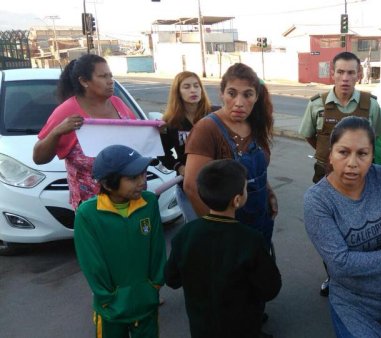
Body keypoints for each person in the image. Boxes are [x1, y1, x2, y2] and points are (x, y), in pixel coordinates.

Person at [304, 116, 381, 337]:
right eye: (343, 152)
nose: (352, 163)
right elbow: (342, 264)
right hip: (354, 307)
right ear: (330, 154)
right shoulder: (318, 200)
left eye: (362, 154)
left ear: (372, 155)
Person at [298, 51, 381, 296]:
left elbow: (374, 137)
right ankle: (333, 276)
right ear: (332, 74)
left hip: (363, 181)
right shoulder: (317, 104)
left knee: (363, 231)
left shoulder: (371, 105)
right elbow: (309, 135)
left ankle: (364, 275)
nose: (345, 78)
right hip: (325, 177)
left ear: (358, 75)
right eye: (340, 72)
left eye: (350, 72)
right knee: (331, 234)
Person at [165, 159, 281, 338]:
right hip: (242, 326)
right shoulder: (250, 240)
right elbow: (271, 288)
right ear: (237, 200)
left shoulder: (185, 234)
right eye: (245, 188)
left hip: (201, 327)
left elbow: (172, 279)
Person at [74, 144, 166, 338]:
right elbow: (92, 262)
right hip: (110, 309)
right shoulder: (88, 214)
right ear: (108, 184)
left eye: (143, 174)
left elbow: (157, 248)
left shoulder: (149, 203)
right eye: (133, 178)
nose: (142, 182)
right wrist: (108, 297)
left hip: (146, 302)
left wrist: (154, 285)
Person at [183, 63, 278, 249]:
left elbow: (257, 172)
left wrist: (268, 191)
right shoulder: (207, 129)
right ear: (222, 94)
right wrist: (219, 231)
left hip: (261, 223)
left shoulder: (255, 124)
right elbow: (192, 187)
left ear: (256, 97)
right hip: (230, 233)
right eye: (232, 93)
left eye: (248, 94)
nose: (239, 102)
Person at [33, 54, 136, 210]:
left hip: (130, 200)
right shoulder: (67, 111)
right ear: (84, 81)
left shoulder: (118, 103)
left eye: (111, 76)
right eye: (103, 76)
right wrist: (57, 132)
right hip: (92, 208)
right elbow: (38, 158)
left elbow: (138, 138)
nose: (110, 81)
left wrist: (155, 130)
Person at [158, 71, 218, 222]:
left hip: (216, 183)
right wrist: (179, 167)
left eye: (196, 86)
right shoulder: (170, 122)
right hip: (188, 187)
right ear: (177, 92)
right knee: (198, 232)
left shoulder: (215, 114)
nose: (193, 90)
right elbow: (163, 153)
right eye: (186, 87)